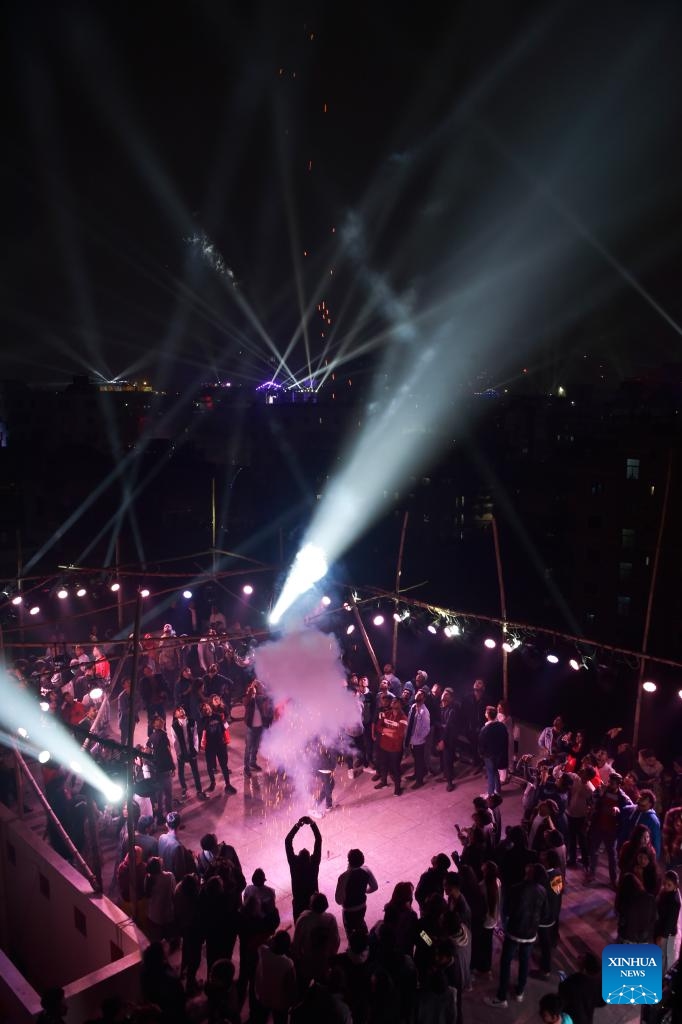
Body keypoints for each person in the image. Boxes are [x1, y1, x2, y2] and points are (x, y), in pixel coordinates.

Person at [485, 861, 547, 1008]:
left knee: (506, 962)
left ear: (530, 873)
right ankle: (520, 992)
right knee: (525, 961)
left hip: (514, 931)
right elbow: (545, 913)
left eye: (529, 868)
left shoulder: (517, 888)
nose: (527, 867)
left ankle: (502, 997)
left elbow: (506, 911)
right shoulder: (542, 891)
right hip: (530, 933)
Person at [254, 930, 297, 1024]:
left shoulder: (263, 951)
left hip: (263, 997)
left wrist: (272, 939)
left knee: (261, 1019)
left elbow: (263, 941)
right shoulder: (288, 963)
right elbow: (290, 986)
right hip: (280, 1003)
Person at [335, 848, 379, 940]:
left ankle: (354, 948)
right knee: (360, 921)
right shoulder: (366, 870)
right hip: (362, 906)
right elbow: (374, 887)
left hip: (349, 909)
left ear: (349, 861)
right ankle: (365, 940)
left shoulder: (343, 877)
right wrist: (365, 890)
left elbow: (338, 900)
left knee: (350, 931)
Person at [285, 815, 322, 920]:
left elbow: (288, 841)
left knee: (300, 928)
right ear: (310, 857)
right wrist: (312, 824)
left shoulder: (294, 864)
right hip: (314, 903)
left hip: (298, 904)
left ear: (297, 856)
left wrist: (298, 826)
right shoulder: (313, 864)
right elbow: (318, 840)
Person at [200, 697, 237, 795]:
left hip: (220, 745)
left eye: (207, 707)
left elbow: (225, 727)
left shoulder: (217, 716)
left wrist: (225, 738)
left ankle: (228, 785)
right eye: (204, 709)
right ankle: (212, 782)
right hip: (209, 748)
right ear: (202, 712)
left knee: (224, 765)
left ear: (210, 707)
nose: (206, 709)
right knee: (210, 766)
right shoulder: (202, 721)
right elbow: (202, 732)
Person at [170, 705, 208, 801]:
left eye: (182, 709)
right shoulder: (174, 726)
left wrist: (195, 749)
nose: (181, 710)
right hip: (181, 752)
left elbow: (195, 736)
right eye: (178, 710)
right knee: (181, 772)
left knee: (195, 771)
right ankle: (184, 789)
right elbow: (175, 741)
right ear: (175, 714)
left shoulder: (192, 721)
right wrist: (179, 753)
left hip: (191, 750)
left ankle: (199, 790)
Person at [558, 951, 605, 1024]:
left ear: (584, 967)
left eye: (581, 957)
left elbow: (561, 996)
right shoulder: (598, 983)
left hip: (570, 1018)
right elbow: (602, 1002)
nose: (578, 957)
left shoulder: (573, 981)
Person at [375, 696, 408, 796]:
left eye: (396, 701)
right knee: (383, 766)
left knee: (395, 768)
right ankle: (384, 782)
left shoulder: (404, 718)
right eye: (393, 701)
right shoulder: (385, 714)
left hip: (395, 748)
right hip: (384, 746)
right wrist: (390, 731)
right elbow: (378, 727)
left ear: (401, 705)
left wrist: (385, 732)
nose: (393, 702)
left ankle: (398, 788)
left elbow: (398, 734)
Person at [146, 714, 175, 825]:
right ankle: (170, 817)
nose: (161, 721)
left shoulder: (151, 737)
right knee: (168, 794)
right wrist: (172, 765)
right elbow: (168, 751)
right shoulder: (163, 735)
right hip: (165, 769)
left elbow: (147, 752)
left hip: (156, 770)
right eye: (159, 720)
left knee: (159, 795)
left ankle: (159, 817)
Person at [618, 788, 661, 858]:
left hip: (638, 855)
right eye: (638, 804)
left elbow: (656, 841)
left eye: (642, 805)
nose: (639, 806)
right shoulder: (631, 810)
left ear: (650, 804)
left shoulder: (653, 821)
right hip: (624, 849)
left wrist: (654, 858)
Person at [478, 705, 509, 798]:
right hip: (499, 753)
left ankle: (490, 794)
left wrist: (481, 754)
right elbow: (505, 739)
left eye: (486, 712)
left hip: (489, 755)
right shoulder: (501, 726)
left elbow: (481, 743)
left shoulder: (485, 729)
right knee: (495, 771)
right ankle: (498, 790)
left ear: (487, 715)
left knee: (491, 773)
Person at [244, 679, 273, 776]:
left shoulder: (260, 698)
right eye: (258, 687)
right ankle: (246, 768)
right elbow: (246, 701)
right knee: (248, 748)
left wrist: (261, 685)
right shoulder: (249, 699)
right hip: (251, 728)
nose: (259, 688)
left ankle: (253, 763)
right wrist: (252, 687)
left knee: (255, 746)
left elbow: (269, 697)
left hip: (259, 727)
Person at [144, 856, 176, 943]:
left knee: (156, 943)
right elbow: (174, 892)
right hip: (167, 915)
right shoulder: (169, 876)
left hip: (153, 916)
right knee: (170, 941)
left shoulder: (148, 878)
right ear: (159, 866)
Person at [655, 869, 680, 976]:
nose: (665, 886)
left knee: (667, 957)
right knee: (663, 955)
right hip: (662, 929)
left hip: (668, 934)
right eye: (664, 883)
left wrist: (662, 936)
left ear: (675, 886)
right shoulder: (665, 893)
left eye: (669, 885)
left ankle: (663, 978)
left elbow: (670, 921)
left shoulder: (675, 902)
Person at [158, 811, 195, 882]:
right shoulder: (178, 847)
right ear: (179, 825)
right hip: (172, 881)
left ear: (166, 825)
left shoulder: (161, 837)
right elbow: (180, 872)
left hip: (162, 875)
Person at [405, 689, 431, 789]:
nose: (417, 695)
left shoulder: (424, 711)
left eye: (420, 694)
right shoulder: (413, 707)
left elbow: (426, 729)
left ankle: (419, 781)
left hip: (418, 742)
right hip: (411, 739)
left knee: (419, 761)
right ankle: (416, 775)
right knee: (416, 760)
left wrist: (419, 738)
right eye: (417, 693)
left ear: (423, 698)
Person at [461, 679, 487, 768]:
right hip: (469, 727)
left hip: (482, 728)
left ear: (483, 688)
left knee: (481, 741)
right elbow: (463, 712)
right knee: (474, 741)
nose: (477, 684)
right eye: (476, 682)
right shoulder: (467, 698)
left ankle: (479, 761)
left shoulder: (486, 700)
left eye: (480, 683)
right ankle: (476, 760)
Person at [436, 687, 458, 791]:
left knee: (447, 759)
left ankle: (450, 783)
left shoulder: (452, 710)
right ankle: (447, 775)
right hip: (442, 735)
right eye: (444, 693)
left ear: (451, 698)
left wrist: (443, 740)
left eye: (447, 695)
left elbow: (448, 726)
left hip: (449, 738)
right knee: (444, 758)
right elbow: (441, 723)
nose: (444, 695)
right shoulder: (441, 707)